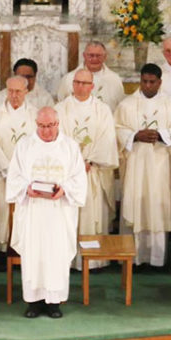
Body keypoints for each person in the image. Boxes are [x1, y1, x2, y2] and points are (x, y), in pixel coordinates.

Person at [6, 107, 87, 319]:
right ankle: (33, 302)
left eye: (50, 125)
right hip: (33, 212)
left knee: (56, 255)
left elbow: (79, 178)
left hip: (59, 213)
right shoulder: (24, 146)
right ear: (36, 124)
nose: (46, 131)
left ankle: (54, 302)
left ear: (58, 124)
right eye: (42, 126)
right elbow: (13, 176)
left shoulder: (70, 147)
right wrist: (26, 188)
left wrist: (65, 189)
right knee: (34, 255)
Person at [114, 63, 171, 268]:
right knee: (135, 204)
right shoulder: (126, 105)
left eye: (152, 82)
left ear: (160, 82)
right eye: (144, 81)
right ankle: (132, 256)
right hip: (136, 162)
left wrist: (162, 134)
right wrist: (135, 135)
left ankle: (156, 258)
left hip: (160, 164)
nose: (147, 85)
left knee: (156, 205)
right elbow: (117, 128)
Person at [55, 69, 119, 269]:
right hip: (67, 174)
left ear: (92, 86)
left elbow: (107, 138)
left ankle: (94, 261)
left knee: (92, 215)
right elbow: (56, 139)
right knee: (68, 217)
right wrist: (75, 164)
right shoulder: (60, 109)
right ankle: (68, 260)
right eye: (77, 82)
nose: (81, 86)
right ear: (72, 84)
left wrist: (90, 161)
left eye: (85, 83)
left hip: (93, 172)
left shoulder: (102, 110)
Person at [0, 76, 38, 251]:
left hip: (28, 177)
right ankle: (2, 249)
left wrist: (23, 171)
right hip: (4, 176)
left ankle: (24, 250)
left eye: (18, 91)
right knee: (2, 212)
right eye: (11, 91)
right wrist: (7, 170)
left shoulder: (35, 115)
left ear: (26, 92)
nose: (14, 95)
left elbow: (40, 145)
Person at [57, 41, 125, 110]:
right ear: (84, 55)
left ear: (105, 57)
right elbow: (61, 105)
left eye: (98, 55)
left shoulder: (114, 79)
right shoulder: (69, 78)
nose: (94, 59)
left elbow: (120, 108)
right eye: (91, 55)